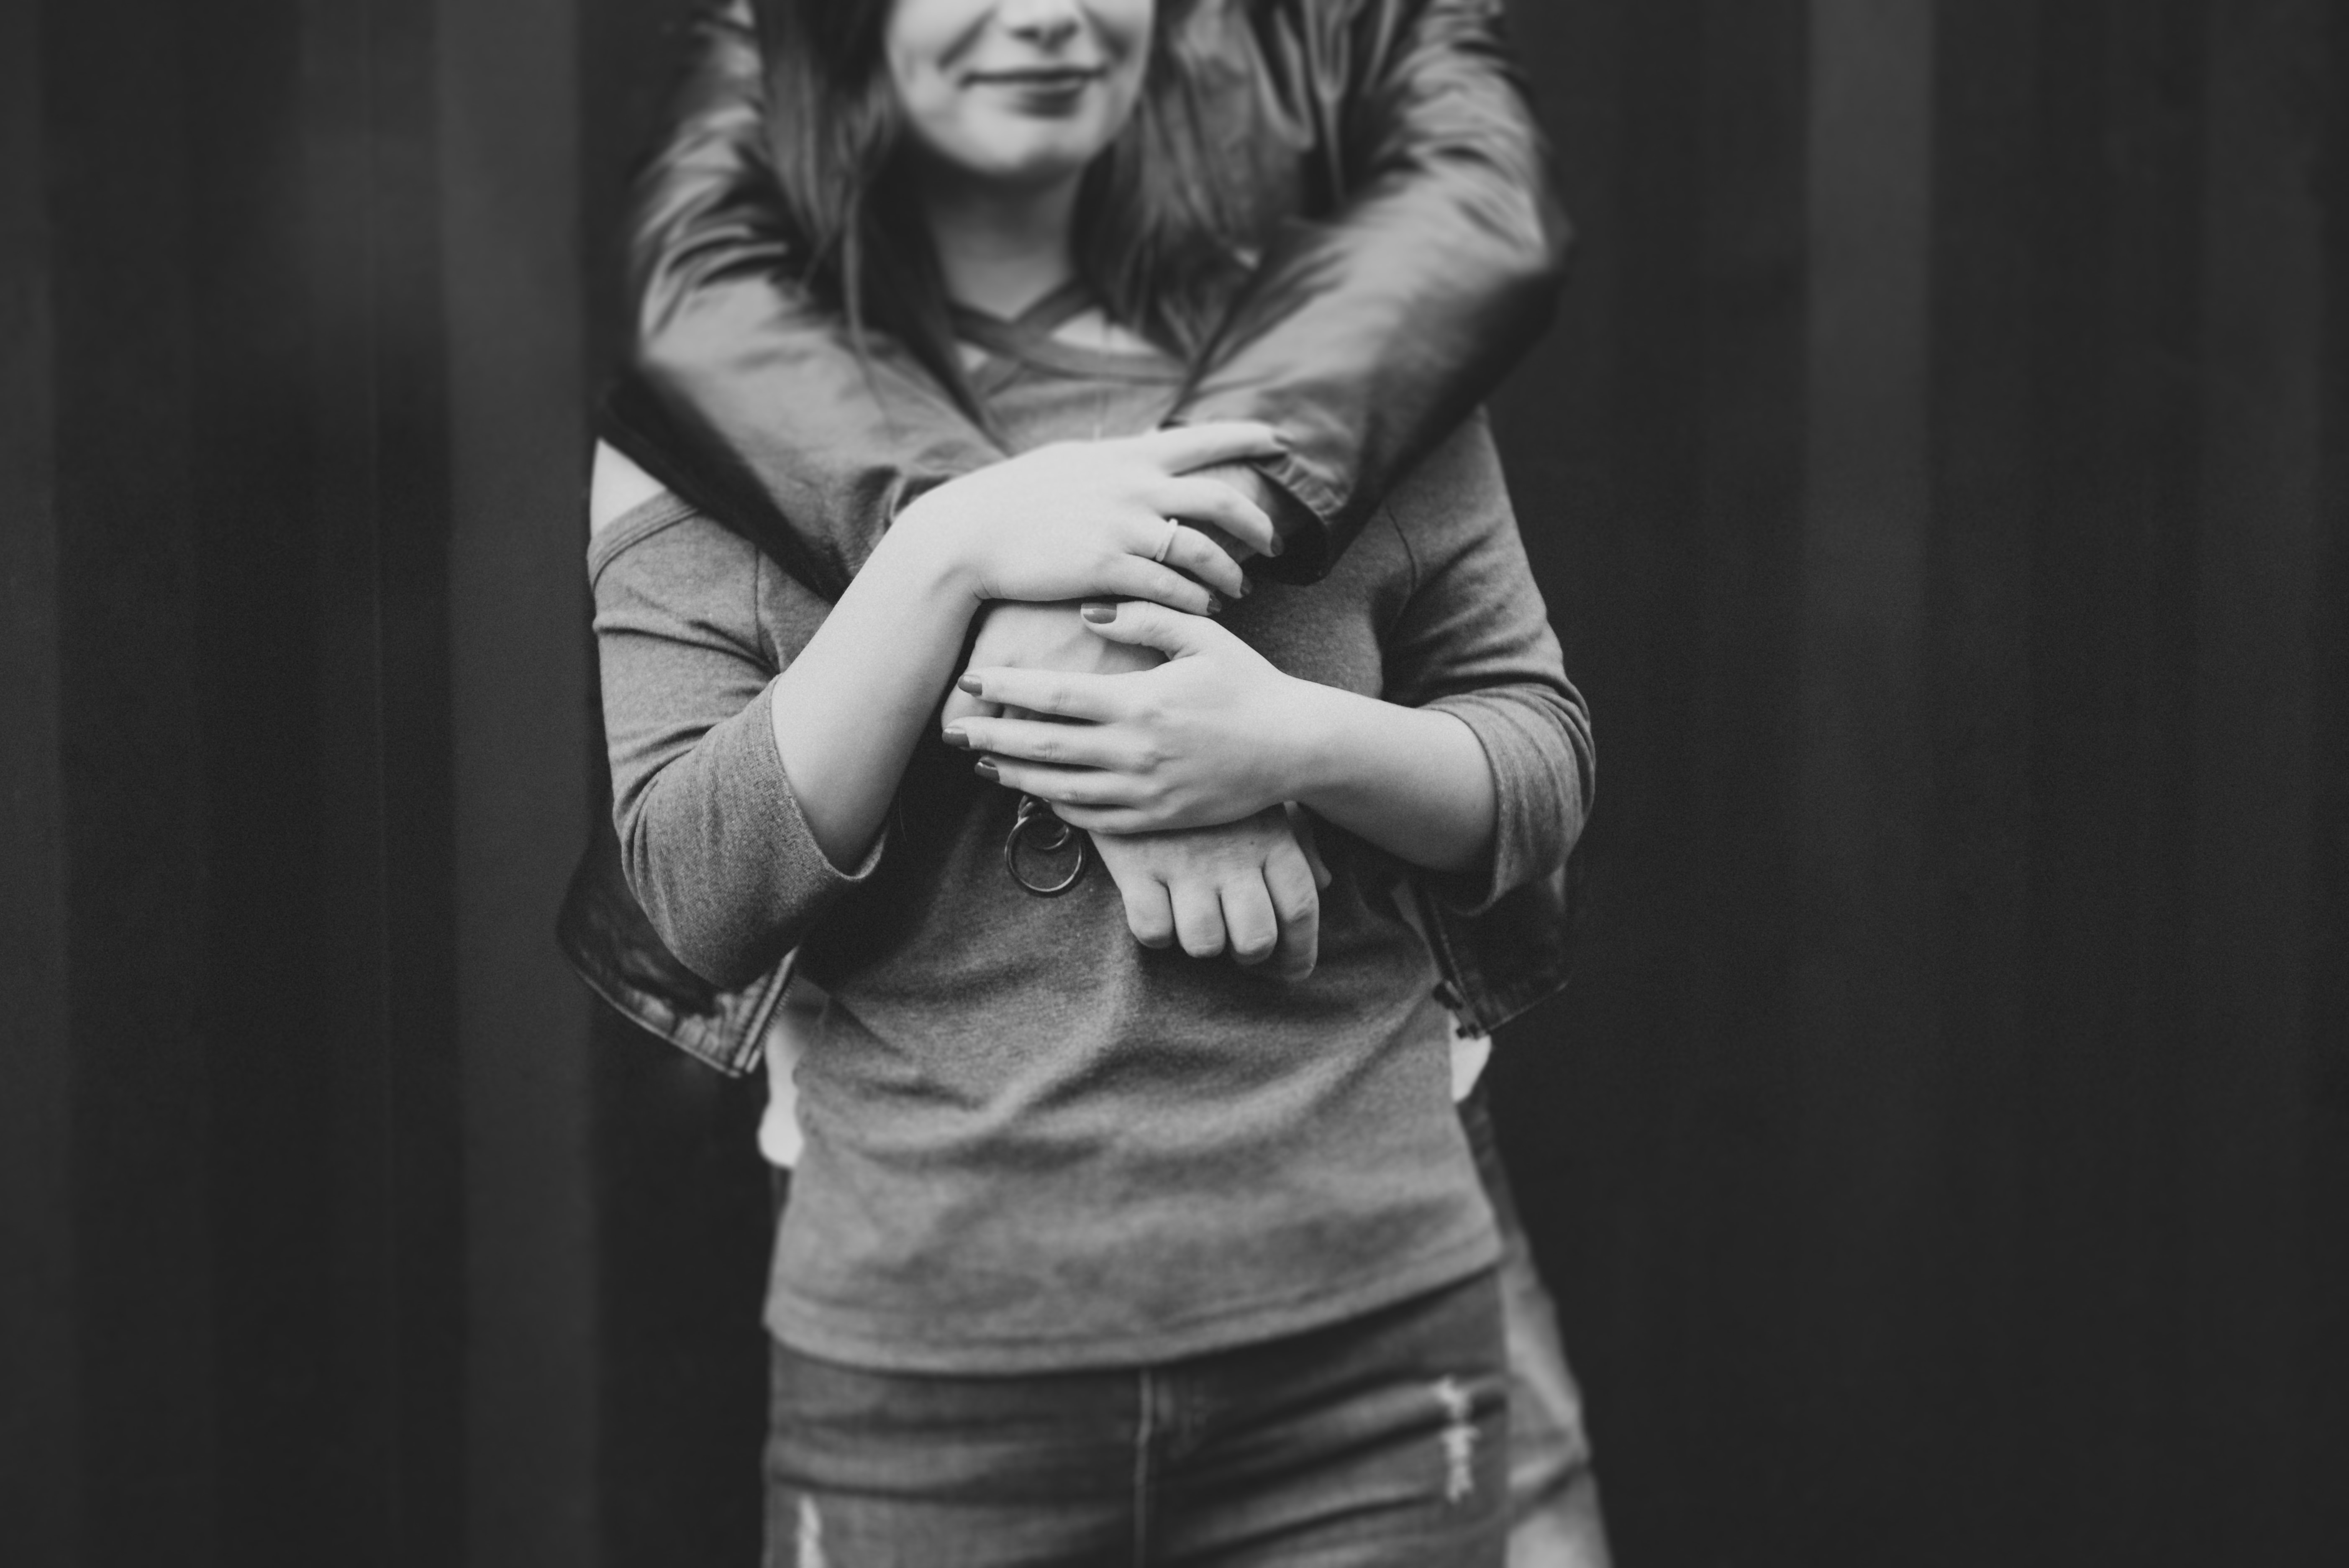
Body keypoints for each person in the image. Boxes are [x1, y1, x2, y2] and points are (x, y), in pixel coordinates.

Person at [587, 1, 1590, 1557]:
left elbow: (1539, 759)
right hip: (931, 1390)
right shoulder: (717, 419)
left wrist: (1284, 740)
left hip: (1367, 1356)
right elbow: (691, 898)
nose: (1048, 11)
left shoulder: (1366, 341)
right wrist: (948, 555)